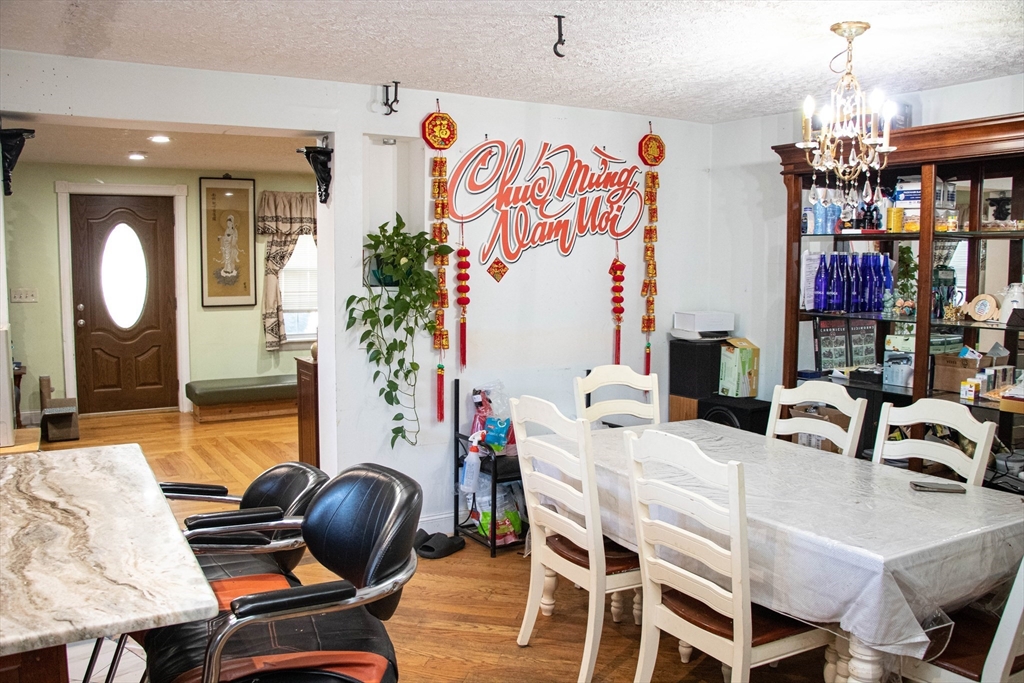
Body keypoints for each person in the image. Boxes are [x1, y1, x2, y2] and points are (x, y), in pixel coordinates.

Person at [217, 214, 240, 279]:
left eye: (230, 223)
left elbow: (235, 238)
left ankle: (230, 270)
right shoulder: (227, 230)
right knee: (227, 257)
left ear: (232, 223)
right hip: (226, 245)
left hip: (231, 246)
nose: (228, 224)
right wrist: (221, 237)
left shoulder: (234, 230)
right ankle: (226, 269)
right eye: (227, 223)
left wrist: (232, 237)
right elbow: (225, 237)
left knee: (230, 258)